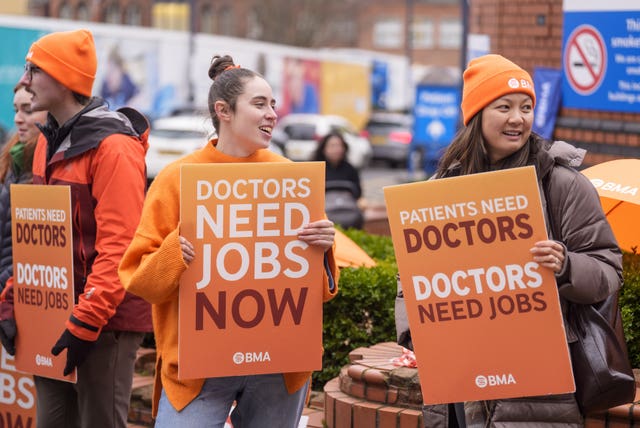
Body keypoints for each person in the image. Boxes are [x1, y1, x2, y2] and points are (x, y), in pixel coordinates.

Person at [118, 54, 339, 427]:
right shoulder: (176, 178)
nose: (272, 113)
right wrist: (175, 252)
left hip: (278, 365)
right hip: (197, 368)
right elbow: (141, 282)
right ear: (223, 110)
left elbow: (320, 291)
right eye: (259, 104)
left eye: (272, 103)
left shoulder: (290, 177)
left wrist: (324, 247)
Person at [432, 54, 621, 426]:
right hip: (462, 386)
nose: (518, 118)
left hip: (540, 393)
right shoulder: (443, 189)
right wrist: (417, 333)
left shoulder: (562, 184)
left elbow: (608, 271)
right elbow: (413, 281)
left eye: (527, 107)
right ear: (476, 116)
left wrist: (567, 266)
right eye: (504, 107)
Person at [0, 29, 152, 428]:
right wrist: (14, 295)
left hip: (106, 320)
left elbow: (120, 247)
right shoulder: (46, 143)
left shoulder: (114, 147)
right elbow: (40, 239)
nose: (25, 79)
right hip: (53, 311)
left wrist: (86, 321)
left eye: (34, 69)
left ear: (65, 78)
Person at [0, 83, 48, 293]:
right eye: (16, 110)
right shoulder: (10, 160)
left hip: (17, 295)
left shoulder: (49, 166)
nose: (18, 118)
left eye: (28, 110)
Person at [313, 131, 364, 229]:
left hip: (348, 213)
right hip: (324, 216)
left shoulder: (350, 169)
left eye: (339, 146)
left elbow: (359, 195)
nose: (337, 149)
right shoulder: (316, 169)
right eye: (332, 146)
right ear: (323, 149)